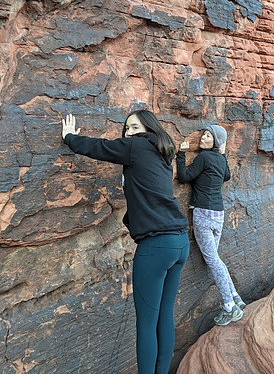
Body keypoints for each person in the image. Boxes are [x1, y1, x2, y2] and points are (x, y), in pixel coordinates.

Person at [61, 110, 189, 374]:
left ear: (148, 128)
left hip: (156, 247)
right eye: (126, 129)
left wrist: (70, 137)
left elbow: (100, 147)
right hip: (179, 242)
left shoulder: (137, 146)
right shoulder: (162, 153)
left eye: (134, 127)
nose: (128, 133)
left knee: (146, 323)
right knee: (164, 315)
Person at [176, 125, 246, 326]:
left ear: (215, 141)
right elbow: (227, 176)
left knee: (213, 260)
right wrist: (223, 154)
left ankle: (229, 307)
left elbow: (184, 177)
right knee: (215, 259)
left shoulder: (204, 157)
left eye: (208, 136)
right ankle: (235, 296)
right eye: (204, 134)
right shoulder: (219, 160)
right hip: (218, 215)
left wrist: (181, 154)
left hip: (204, 214)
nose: (203, 138)